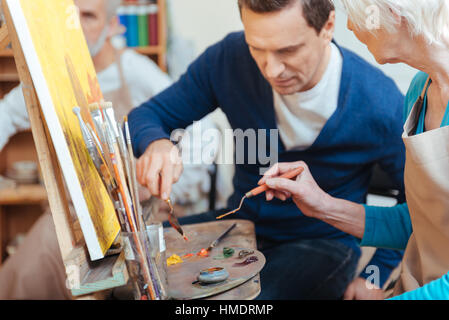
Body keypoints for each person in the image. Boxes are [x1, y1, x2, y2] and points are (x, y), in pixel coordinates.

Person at [129, 0, 406, 299]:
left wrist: (374, 276)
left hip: (323, 244)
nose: (272, 69)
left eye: (288, 50)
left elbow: (418, 209)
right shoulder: (228, 59)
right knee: (137, 263)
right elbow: (145, 117)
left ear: (327, 27)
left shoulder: (379, 103)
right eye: (256, 48)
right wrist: (155, 143)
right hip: (241, 225)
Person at [0, 0, 217, 299]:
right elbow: (6, 116)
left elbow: (202, 140)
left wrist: (164, 188)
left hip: (135, 222)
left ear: (113, 25)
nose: (74, 26)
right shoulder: (48, 78)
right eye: (69, 14)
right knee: (24, 275)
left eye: (88, 16)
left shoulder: (137, 71)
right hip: (72, 221)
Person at [261, 0, 449, 299]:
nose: (349, 26)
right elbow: (419, 226)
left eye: (356, 15)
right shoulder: (419, 92)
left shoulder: (377, 96)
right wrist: (321, 204)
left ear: (394, 12)